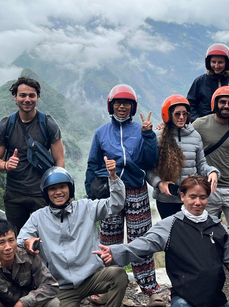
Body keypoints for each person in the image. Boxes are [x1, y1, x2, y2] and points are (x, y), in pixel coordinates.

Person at [93, 175, 229, 307]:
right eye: (192, 197)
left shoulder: (218, 228)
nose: (197, 202)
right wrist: (116, 252)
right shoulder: (170, 225)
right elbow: (143, 244)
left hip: (215, 300)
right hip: (184, 300)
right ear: (182, 196)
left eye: (202, 197)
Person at [84, 84, 163, 307]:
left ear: (132, 106)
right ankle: (109, 288)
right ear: (111, 105)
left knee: (141, 240)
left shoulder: (140, 130)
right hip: (110, 192)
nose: (122, 106)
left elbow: (150, 161)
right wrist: (92, 194)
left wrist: (148, 135)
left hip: (137, 189)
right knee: (109, 241)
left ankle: (150, 289)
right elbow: (92, 164)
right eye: (118, 102)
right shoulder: (101, 133)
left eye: (126, 103)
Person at [18, 162, 129, 307]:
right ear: (46, 193)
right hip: (62, 287)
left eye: (62, 187)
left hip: (92, 277)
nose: (58, 192)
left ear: (70, 189)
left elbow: (116, 203)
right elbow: (21, 240)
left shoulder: (86, 207)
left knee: (118, 275)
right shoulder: (38, 217)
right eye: (52, 188)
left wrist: (113, 177)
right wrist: (28, 242)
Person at [0, 76, 65, 231]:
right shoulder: (7, 125)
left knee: (47, 238)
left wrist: (57, 189)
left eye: (31, 95)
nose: (27, 99)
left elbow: (60, 161)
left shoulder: (47, 123)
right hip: (15, 195)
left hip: (43, 193)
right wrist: (6, 165)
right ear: (15, 97)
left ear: (38, 97)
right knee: (18, 241)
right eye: (22, 95)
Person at [193, 86, 229, 243]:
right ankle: (212, 265)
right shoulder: (200, 124)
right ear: (215, 103)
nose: (226, 106)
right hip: (207, 187)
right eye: (222, 102)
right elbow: (184, 140)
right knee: (204, 232)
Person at [148, 94, 219, 219]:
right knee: (171, 234)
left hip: (190, 198)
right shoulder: (157, 137)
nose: (181, 117)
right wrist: (159, 184)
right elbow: (149, 168)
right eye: (177, 114)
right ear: (168, 114)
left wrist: (212, 172)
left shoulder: (195, 136)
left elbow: (201, 164)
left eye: (184, 114)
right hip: (166, 200)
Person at [187, 43, 229, 122]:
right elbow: (190, 104)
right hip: (204, 125)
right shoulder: (200, 81)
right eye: (213, 62)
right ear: (208, 62)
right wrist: (197, 122)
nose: (216, 66)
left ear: (227, 63)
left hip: (227, 124)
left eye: (220, 62)